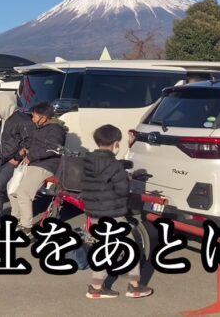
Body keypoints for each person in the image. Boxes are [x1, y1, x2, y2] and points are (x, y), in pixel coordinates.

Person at [82, 124, 153, 299]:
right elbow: (122, 189)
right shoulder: (114, 165)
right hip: (112, 213)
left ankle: (96, 287)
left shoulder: (88, 161)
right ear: (115, 144)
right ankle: (135, 286)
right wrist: (128, 178)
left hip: (94, 211)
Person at [9, 102, 67, 231]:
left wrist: (31, 156)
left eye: (34, 116)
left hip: (45, 165)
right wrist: (25, 151)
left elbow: (52, 149)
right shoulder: (40, 127)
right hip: (32, 163)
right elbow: (36, 145)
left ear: (44, 117)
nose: (32, 118)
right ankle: (16, 216)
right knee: (11, 188)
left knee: (23, 192)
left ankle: (26, 225)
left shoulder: (56, 129)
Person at [0, 91, 33, 220]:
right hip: (0, 160)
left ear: (4, 104)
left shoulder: (22, 120)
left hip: (12, 161)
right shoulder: (5, 119)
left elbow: (29, 142)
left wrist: (17, 158)